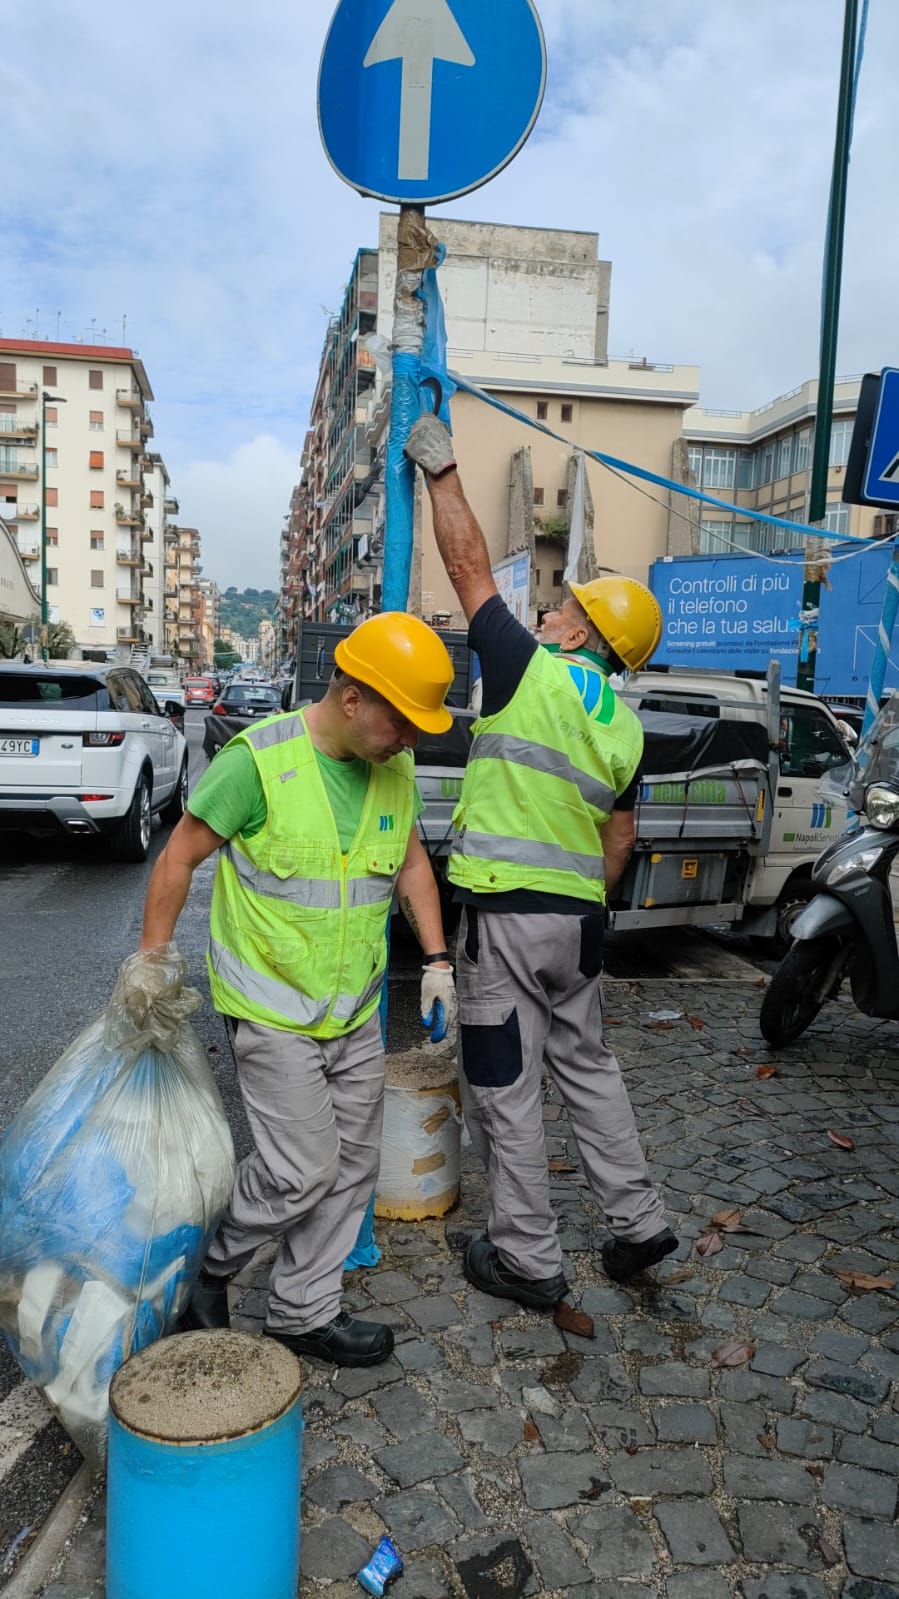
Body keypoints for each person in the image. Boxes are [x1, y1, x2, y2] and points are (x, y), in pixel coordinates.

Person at [404, 415, 678, 1311]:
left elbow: (468, 570)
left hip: (506, 918)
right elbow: (621, 840)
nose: (549, 607)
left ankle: (527, 1255)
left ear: (584, 630)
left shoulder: (529, 668)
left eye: (565, 603)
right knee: (588, 1066)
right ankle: (636, 1222)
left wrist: (443, 471)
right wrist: (581, 907)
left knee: (503, 1084)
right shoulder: (625, 724)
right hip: (578, 922)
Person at [135, 612, 459, 1368]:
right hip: (269, 1004)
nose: (410, 738)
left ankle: (302, 1309)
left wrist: (437, 958)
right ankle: (209, 1267)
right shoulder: (257, 762)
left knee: (351, 1166)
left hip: (353, 1006)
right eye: (401, 722)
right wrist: (151, 961)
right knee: (301, 1165)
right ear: (351, 698)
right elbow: (180, 855)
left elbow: (409, 860)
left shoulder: (394, 768)